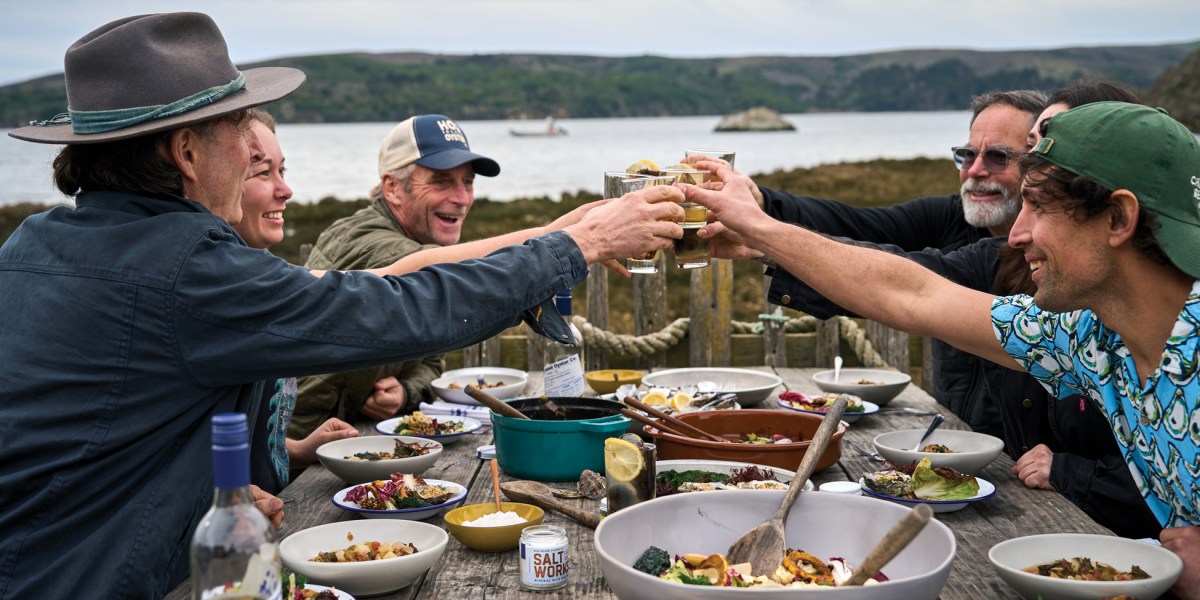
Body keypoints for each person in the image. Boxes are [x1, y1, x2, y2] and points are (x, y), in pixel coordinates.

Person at [0, 12, 682, 598]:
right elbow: (390, 309)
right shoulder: (185, 270)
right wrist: (572, 247)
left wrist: (211, 493)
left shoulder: (38, 244)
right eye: (241, 131)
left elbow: (106, 423)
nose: (251, 154)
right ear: (185, 151)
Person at [685, 101, 1200, 598]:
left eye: (1038, 207)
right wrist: (761, 229)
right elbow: (914, 293)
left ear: (1117, 219)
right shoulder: (1089, 338)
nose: (1016, 234)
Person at [691, 90, 1048, 436]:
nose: (975, 170)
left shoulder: (1066, 266)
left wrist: (1068, 468)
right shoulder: (948, 220)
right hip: (952, 442)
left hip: (1033, 472)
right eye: (966, 155)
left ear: (1041, 165)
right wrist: (765, 205)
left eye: (998, 157)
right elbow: (852, 226)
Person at [291, 113, 599, 438]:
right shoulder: (367, 240)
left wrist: (405, 392)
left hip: (351, 439)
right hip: (289, 456)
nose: (462, 198)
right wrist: (563, 239)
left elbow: (432, 361)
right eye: (441, 181)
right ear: (393, 188)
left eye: (467, 181)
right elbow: (440, 274)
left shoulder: (414, 237)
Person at [235, 109, 359, 493]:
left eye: (282, 172)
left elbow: (237, 438)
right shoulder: (231, 290)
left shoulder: (256, 271)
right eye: (262, 172)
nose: (285, 190)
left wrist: (298, 450)